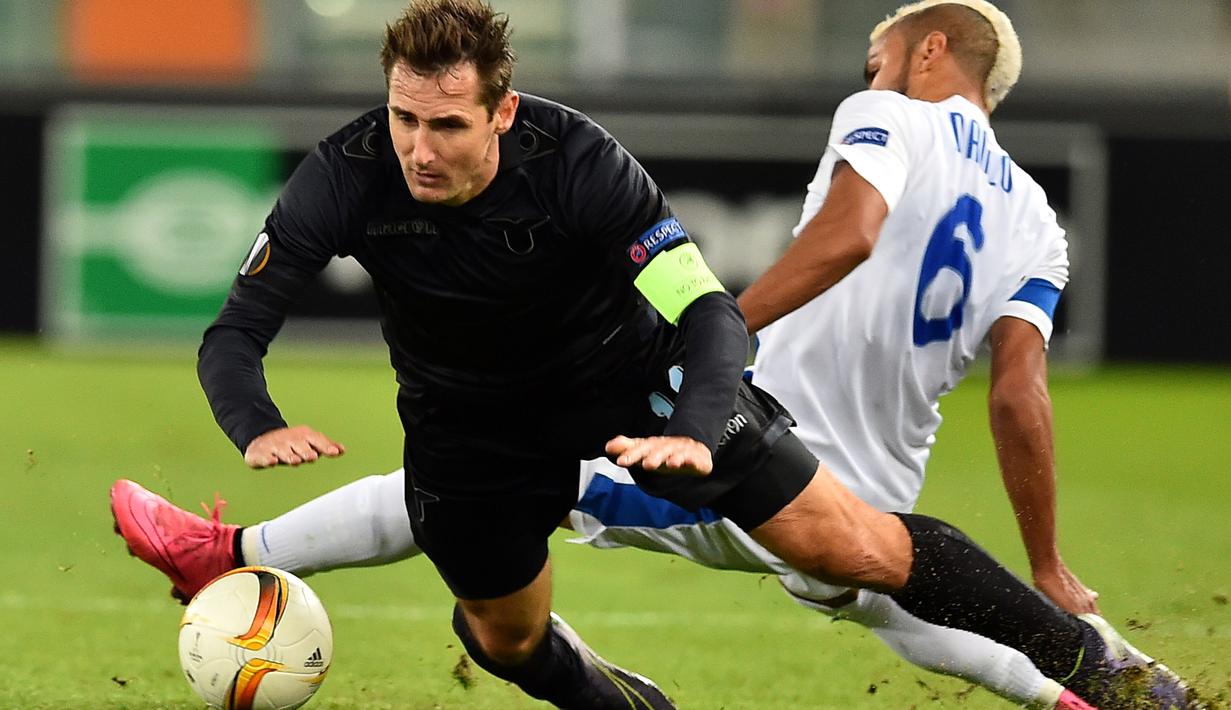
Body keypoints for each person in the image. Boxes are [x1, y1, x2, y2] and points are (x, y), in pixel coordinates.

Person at [111, 1, 1199, 708]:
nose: (417, 146)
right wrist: (256, 422)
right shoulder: (1032, 218)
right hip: (549, 430)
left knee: (857, 555)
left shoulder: (625, 152)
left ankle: (230, 548)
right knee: (506, 624)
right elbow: (1021, 393)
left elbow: (768, 277)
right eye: (404, 120)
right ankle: (1109, 675)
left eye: (447, 125)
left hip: (668, 400)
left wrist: (702, 397)